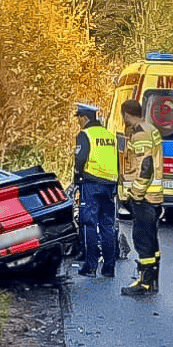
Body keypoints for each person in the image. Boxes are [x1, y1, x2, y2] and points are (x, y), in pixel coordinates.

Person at [118, 99, 163, 296]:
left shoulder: (140, 134)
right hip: (153, 197)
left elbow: (145, 167)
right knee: (152, 241)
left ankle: (144, 283)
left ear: (126, 114)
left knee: (142, 239)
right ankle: (153, 279)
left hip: (144, 198)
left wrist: (135, 195)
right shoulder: (151, 129)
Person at [73, 103, 119, 278]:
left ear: (85, 118)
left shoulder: (85, 135)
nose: (78, 122)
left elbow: (80, 159)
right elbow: (117, 161)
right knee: (107, 225)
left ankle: (90, 266)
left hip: (91, 184)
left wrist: (77, 179)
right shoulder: (109, 135)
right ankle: (109, 268)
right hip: (110, 185)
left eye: (79, 118)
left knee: (89, 224)